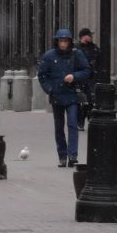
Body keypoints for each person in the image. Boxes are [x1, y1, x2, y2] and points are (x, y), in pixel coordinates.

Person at [36, 29, 89, 168]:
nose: (63, 44)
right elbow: (42, 75)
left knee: (72, 124)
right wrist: (50, 89)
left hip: (71, 95)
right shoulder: (49, 56)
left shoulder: (76, 54)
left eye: (66, 41)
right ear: (57, 42)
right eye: (61, 41)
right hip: (57, 96)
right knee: (59, 127)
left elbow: (86, 70)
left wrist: (74, 76)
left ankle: (72, 155)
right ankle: (62, 155)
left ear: (70, 42)